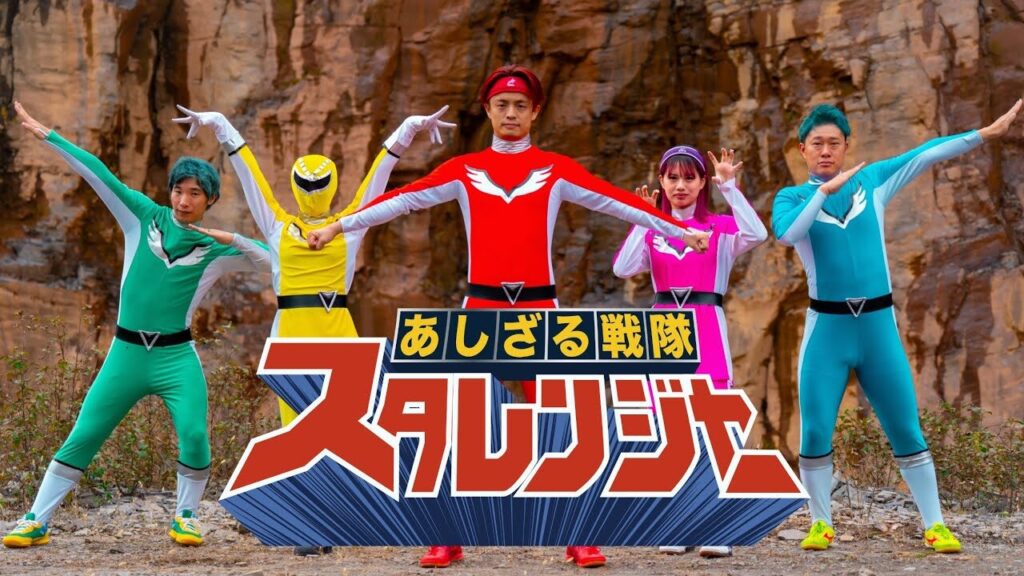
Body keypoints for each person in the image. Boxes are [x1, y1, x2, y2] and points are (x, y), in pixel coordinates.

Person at [307, 64, 710, 569]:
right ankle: (446, 535)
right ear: (489, 110)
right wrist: (337, 226)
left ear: (535, 112)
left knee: (560, 424)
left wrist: (680, 232)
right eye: (502, 105)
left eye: (521, 105)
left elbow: (616, 203)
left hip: (541, 311)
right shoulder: (463, 170)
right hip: (481, 310)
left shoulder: (555, 169)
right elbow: (401, 201)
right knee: (457, 422)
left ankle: (578, 535)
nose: (512, 113)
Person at [172, 103, 455, 555]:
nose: (312, 190)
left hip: (337, 326)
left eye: (319, 183)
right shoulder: (280, 224)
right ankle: (308, 522)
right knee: (296, 425)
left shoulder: (349, 223)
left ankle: (349, 511)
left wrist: (407, 129)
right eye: (305, 184)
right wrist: (219, 124)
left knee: (351, 422)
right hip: (293, 327)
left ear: (333, 185)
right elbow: (248, 172)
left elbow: (378, 177)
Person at [2, 102, 270, 549]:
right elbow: (100, 174)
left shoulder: (217, 250)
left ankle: (186, 516)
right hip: (125, 355)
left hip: (175, 357)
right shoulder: (143, 216)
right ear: (170, 192)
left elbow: (274, 262)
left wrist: (234, 238)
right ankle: (35, 520)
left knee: (194, 433)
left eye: (195, 194)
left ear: (210, 201)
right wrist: (48, 135)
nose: (184, 201)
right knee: (85, 433)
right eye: (179, 191)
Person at [771, 98, 1022, 554]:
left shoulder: (873, 180)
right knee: (814, 431)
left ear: (847, 146)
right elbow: (788, 235)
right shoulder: (792, 198)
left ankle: (935, 525)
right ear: (802, 150)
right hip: (827, 330)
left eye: (833, 143)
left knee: (905, 428)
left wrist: (984, 135)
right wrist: (822, 194)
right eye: (816, 143)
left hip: (877, 326)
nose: (825, 151)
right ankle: (821, 523)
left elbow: (924, 154)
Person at [612, 145, 767, 558]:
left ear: (701, 184)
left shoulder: (720, 228)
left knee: (714, 424)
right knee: (670, 427)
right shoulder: (654, 229)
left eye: (689, 178)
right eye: (672, 178)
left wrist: (730, 188)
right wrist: (643, 218)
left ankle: (718, 525)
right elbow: (623, 268)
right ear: (661, 182)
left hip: (706, 322)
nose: (680, 185)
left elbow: (757, 234)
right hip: (663, 327)